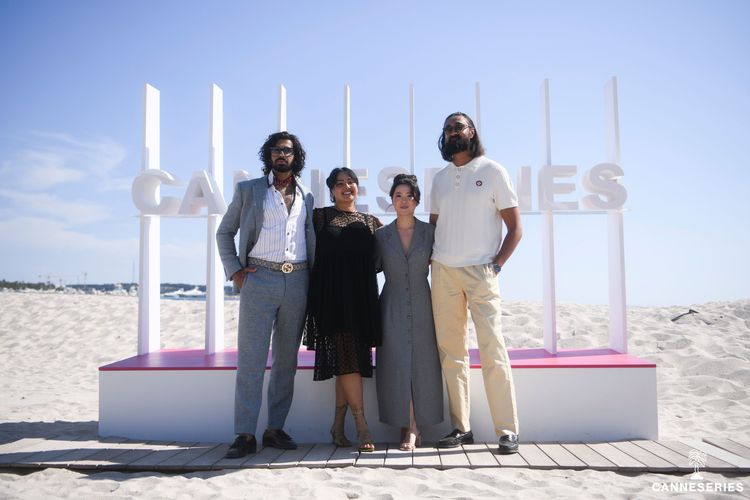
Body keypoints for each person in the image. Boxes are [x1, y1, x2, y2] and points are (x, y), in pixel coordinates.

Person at [216, 131, 315, 458]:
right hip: (259, 278)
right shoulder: (249, 190)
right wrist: (235, 270)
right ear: (268, 155)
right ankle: (245, 434)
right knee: (251, 358)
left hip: (298, 279)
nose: (281, 155)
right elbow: (224, 232)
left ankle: (274, 429)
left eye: (287, 150)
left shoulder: (307, 195)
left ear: (296, 156)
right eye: (276, 150)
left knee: (286, 360)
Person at [429, 112, 523, 455]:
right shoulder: (440, 179)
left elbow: (515, 229)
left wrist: (496, 266)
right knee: (452, 354)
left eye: (459, 126)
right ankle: (461, 427)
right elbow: (433, 227)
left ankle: (508, 430)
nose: (453, 132)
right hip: (443, 271)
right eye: (448, 128)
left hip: (482, 272)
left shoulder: (493, 171)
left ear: (472, 132)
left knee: (492, 349)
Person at [304, 167, 382, 452]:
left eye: (351, 182)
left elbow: (384, 259)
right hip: (332, 300)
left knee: (347, 362)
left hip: (361, 300)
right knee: (348, 360)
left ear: (358, 187)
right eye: (339, 183)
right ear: (331, 190)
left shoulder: (371, 222)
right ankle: (361, 425)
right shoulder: (319, 217)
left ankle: (337, 426)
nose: (346, 186)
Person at [375, 174, 443, 451]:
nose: (404, 201)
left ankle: (414, 427)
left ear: (417, 201)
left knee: (423, 363)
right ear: (391, 200)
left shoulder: (431, 232)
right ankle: (406, 424)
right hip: (391, 303)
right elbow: (370, 268)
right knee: (395, 362)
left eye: (409, 196)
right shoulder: (381, 235)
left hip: (424, 301)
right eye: (398, 196)